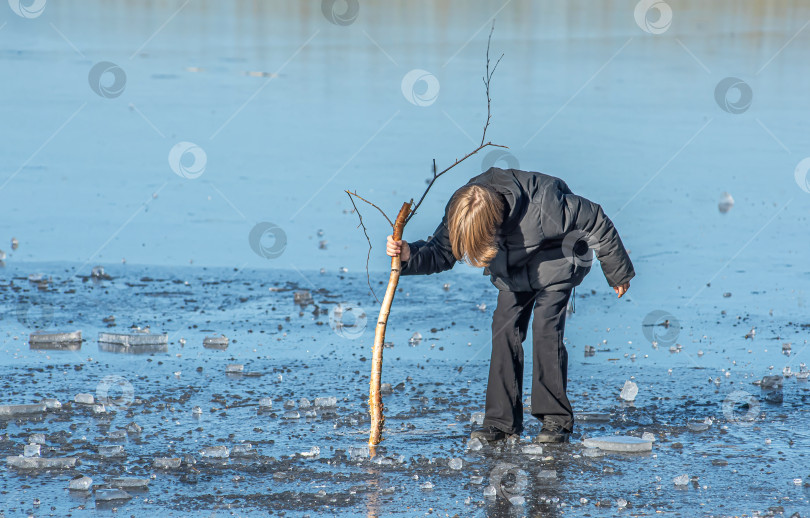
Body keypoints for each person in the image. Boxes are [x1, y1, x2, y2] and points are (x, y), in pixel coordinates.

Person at [386, 167, 634, 443]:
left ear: (494, 229)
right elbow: (442, 252)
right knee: (503, 328)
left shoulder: (544, 205)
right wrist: (409, 254)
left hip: (558, 261)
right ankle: (501, 422)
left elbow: (596, 220)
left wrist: (617, 271)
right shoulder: (463, 208)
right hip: (512, 269)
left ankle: (555, 421)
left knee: (545, 329)